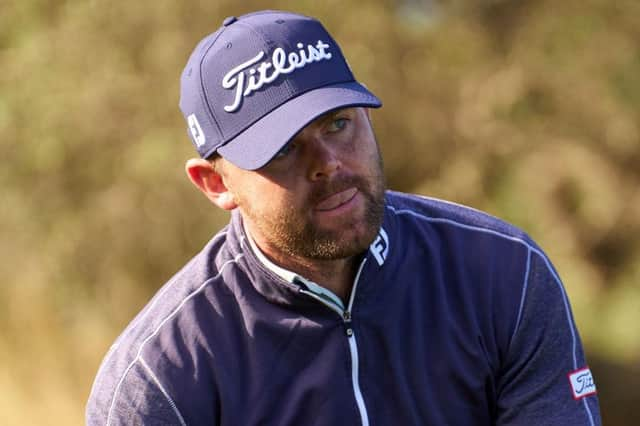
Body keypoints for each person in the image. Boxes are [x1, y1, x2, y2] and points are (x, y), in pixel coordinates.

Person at [86, 10, 601, 426]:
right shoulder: (159, 378)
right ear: (216, 183)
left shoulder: (503, 274)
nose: (329, 164)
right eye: (284, 149)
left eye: (338, 124)